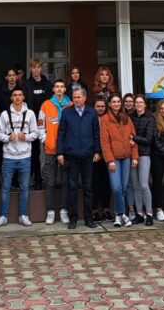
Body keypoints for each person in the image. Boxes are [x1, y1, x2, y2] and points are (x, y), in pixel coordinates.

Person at [57, 87, 100, 229]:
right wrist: (60, 153)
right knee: (72, 187)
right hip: (71, 156)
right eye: (74, 97)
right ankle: (73, 219)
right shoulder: (66, 112)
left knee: (88, 187)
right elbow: (61, 133)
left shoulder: (92, 112)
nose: (76, 100)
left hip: (88, 156)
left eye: (78, 97)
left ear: (85, 98)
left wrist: (97, 151)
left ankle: (88, 218)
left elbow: (96, 133)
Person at [0, 88, 39, 227]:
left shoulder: (30, 113)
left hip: (25, 156)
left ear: (23, 97)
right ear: (11, 98)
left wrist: (26, 137)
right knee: (5, 188)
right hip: (8, 156)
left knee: (24, 188)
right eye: (15, 95)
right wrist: (9, 138)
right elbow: (0, 135)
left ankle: (23, 215)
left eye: (20, 95)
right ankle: (3, 216)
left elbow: (36, 133)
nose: (17, 97)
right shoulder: (4, 114)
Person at [100, 93, 139, 227]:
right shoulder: (105, 119)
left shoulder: (127, 118)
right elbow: (105, 142)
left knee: (123, 188)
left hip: (126, 157)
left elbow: (133, 139)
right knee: (116, 187)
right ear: (109, 104)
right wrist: (110, 160)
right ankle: (123, 214)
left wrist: (135, 156)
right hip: (114, 159)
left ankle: (118, 215)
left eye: (118, 102)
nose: (116, 104)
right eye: (114, 102)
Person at [38, 79, 71, 225]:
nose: (59, 89)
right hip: (51, 149)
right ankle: (50, 211)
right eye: (57, 87)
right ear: (53, 89)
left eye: (61, 87)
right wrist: (45, 140)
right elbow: (40, 125)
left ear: (65, 89)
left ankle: (63, 210)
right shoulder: (46, 105)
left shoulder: (71, 105)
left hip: (67, 149)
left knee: (65, 181)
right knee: (50, 181)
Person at [23, 59, 51, 190]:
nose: (36, 70)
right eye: (33, 67)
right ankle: (37, 179)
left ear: (41, 68)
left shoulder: (48, 85)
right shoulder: (26, 85)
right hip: (32, 122)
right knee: (34, 152)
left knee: (49, 150)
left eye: (38, 67)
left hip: (47, 122)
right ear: (30, 69)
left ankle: (50, 178)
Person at [130, 94, 155, 224]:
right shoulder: (131, 118)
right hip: (132, 154)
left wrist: (134, 138)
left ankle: (149, 213)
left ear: (145, 104)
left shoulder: (150, 118)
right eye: (137, 102)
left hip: (144, 154)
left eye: (141, 102)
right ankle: (139, 213)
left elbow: (148, 139)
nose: (139, 104)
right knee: (135, 186)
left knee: (144, 184)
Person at [90, 97, 113, 222]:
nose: (100, 108)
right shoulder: (90, 118)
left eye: (102, 106)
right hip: (94, 156)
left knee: (106, 183)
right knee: (95, 184)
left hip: (108, 156)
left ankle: (106, 209)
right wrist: (96, 152)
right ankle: (94, 210)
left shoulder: (110, 118)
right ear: (94, 107)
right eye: (97, 106)